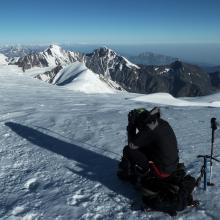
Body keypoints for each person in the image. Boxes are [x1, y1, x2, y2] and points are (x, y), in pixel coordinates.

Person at [118, 107, 179, 181]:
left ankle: (129, 174)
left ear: (140, 121)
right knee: (142, 146)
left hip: (162, 171)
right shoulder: (160, 122)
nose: (139, 128)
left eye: (137, 124)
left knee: (127, 150)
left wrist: (131, 126)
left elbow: (132, 145)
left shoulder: (150, 128)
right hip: (173, 165)